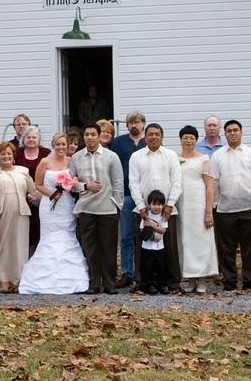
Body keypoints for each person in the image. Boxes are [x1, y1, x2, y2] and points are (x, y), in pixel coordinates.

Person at [19, 132, 89, 294]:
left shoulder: (71, 161)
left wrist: (72, 183)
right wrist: (52, 194)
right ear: (53, 146)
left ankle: (70, 276)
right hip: (49, 205)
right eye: (58, 144)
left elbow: (76, 180)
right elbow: (38, 185)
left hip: (66, 204)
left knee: (67, 236)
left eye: (64, 144)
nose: (61, 147)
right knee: (49, 238)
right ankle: (43, 277)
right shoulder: (44, 162)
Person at [203, 119, 251, 291]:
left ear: (241, 132)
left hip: (250, 208)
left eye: (235, 130)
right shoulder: (218, 155)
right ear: (225, 133)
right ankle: (229, 280)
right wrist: (215, 205)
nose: (232, 133)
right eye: (229, 131)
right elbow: (214, 182)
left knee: (250, 247)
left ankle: (249, 279)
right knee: (226, 248)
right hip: (225, 209)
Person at [70, 125, 124, 293]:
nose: (90, 137)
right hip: (86, 208)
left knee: (108, 248)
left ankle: (109, 283)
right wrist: (85, 186)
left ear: (99, 136)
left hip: (107, 208)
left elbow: (118, 182)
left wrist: (117, 204)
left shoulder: (111, 157)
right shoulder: (77, 158)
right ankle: (94, 283)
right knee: (90, 247)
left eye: (93, 134)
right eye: (86, 134)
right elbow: (70, 184)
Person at [129, 123, 182, 291]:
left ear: (162, 136)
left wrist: (170, 204)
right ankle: (144, 282)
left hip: (166, 211)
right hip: (144, 210)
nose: (153, 137)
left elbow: (177, 182)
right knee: (144, 247)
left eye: (156, 134)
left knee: (169, 247)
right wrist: (140, 206)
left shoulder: (171, 155)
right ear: (145, 137)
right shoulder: (136, 157)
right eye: (150, 134)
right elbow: (133, 183)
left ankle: (170, 281)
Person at [174, 126, 217, 293]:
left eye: (192, 138)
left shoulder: (204, 159)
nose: (188, 140)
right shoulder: (175, 158)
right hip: (181, 206)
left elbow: (209, 186)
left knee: (201, 241)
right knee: (184, 241)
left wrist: (208, 211)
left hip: (199, 205)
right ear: (181, 139)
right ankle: (190, 278)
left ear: (196, 140)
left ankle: (203, 279)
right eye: (185, 137)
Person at [0, 142, 32, 292]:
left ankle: (17, 279)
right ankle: (2, 280)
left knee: (18, 245)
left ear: (13, 156)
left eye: (9, 153)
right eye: (3, 154)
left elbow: (33, 190)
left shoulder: (23, 171)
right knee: (2, 246)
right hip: (1, 213)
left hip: (21, 213)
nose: (6, 156)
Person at [110, 111, 147, 287]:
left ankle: (144, 273)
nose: (135, 125)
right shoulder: (117, 143)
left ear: (143, 124)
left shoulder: (150, 141)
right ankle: (126, 273)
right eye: (131, 122)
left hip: (146, 197)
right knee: (125, 236)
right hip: (125, 195)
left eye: (138, 122)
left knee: (145, 235)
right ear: (127, 125)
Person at [16, 126, 47, 251]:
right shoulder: (17, 153)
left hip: (42, 196)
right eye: (28, 137)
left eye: (34, 137)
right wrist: (28, 193)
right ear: (23, 139)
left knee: (40, 227)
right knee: (25, 229)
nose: (31, 140)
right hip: (21, 196)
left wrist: (38, 194)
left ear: (38, 139)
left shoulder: (46, 153)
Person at [136, 189, 170, 294]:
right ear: (149, 204)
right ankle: (149, 285)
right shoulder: (146, 216)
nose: (157, 207)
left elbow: (163, 230)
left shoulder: (163, 216)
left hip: (159, 247)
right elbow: (142, 231)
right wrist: (152, 237)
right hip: (147, 247)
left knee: (160, 266)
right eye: (154, 204)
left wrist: (152, 225)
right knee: (147, 267)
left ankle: (161, 285)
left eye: (160, 204)